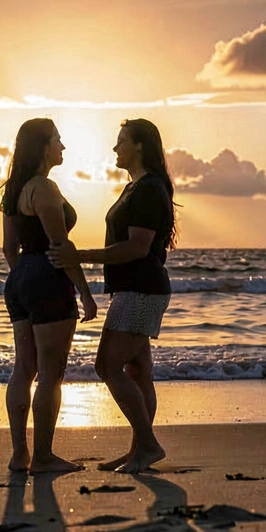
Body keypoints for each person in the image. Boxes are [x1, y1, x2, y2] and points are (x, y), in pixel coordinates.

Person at [50, 119, 176, 474]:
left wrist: (81, 256)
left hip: (141, 290)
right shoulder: (136, 187)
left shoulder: (149, 188)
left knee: (106, 365)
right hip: (138, 288)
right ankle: (139, 452)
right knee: (138, 371)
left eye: (121, 141)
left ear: (139, 146)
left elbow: (137, 248)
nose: (115, 148)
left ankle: (148, 445)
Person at [0, 118, 97, 474]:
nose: (63, 146)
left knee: (23, 369)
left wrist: (25, 276)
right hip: (46, 279)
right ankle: (42, 456)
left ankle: (18, 455)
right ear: (43, 146)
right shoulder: (44, 188)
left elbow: (9, 248)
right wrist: (85, 293)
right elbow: (61, 246)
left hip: (21, 276)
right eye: (58, 139)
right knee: (52, 372)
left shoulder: (13, 190)